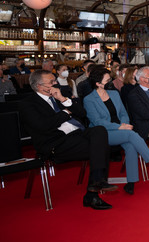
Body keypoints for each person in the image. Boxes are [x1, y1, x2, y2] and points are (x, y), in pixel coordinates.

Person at [20, 70, 115, 210]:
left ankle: (96, 185)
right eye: (51, 82)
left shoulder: (59, 96)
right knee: (102, 148)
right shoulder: (28, 104)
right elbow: (44, 126)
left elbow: (82, 113)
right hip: (55, 142)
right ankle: (93, 193)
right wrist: (66, 112)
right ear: (39, 86)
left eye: (54, 80)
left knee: (100, 131)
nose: (55, 83)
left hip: (77, 134)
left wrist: (64, 100)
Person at [84, 68, 149, 194]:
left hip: (122, 129)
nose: (111, 82)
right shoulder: (89, 99)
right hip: (102, 133)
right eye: (108, 80)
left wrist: (123, 124)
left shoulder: (114, 94)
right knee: (131, 135)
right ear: (98, 83)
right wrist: (120, 127)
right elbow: (97, 122)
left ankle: (131, 183)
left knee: (131, 145)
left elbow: (123, 113)